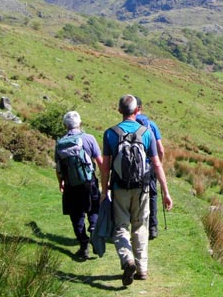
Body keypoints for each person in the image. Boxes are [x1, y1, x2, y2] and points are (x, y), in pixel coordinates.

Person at [101, 94, 173, 286]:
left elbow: (105, 167)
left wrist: (103, 192)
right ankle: (142, 269)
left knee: (121, 227)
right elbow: (157, 164)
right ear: (136, 110)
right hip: (142, 189)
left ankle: (127, 259)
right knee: (140, 227)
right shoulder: (146, 132)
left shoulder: (110, 133)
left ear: (119, 111)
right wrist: (165, 192)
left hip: (119, 189)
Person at [55, 111, 102, 260]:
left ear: (65, 125)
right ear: (80, 123)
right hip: (89, 182)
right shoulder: (89, 138)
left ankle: (83, 245)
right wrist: (105, 181)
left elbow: (58, 168)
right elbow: (100, 162)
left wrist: (60, 183)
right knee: (94, 208)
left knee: (76, 216)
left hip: (71, 185)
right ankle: (94, 227)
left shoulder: (60, 143)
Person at [134, 95, 165, 240]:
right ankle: (152, 227)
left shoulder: (127, 124)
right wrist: (158, 164)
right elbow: (160, 149)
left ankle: (135, 225)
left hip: (132, 167)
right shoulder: (151, 125)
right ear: (141, 108)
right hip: (149, 166)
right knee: (152, 195)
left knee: (133, 194)